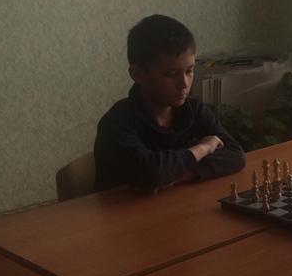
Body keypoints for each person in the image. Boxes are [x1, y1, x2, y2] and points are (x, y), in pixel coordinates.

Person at [94, 14, 245, 192]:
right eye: (171, 74)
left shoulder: (193, 109)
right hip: (123, 209)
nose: (184, 84)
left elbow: (235, 155)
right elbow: (151, 173)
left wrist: (176, 175)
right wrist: (203, 148)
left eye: (189, 71)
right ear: (137, 74)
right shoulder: (116, 122)